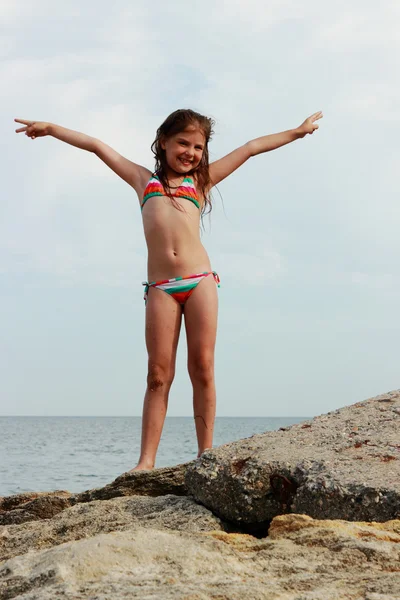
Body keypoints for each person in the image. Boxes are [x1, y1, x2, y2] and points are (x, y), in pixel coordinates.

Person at [15, 108, 323, 470]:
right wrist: (50, 128)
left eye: (198, 147)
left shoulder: (201, 183)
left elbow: (251, 147)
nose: (190, 152)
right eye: (183, 143)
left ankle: (205, 454)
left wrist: (298, 131)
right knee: (158, 374)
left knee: (203, 367)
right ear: (163, 142)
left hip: (200, 282)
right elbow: (97, 147)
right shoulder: (143, 181)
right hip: (161, 287)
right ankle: (146, 461)